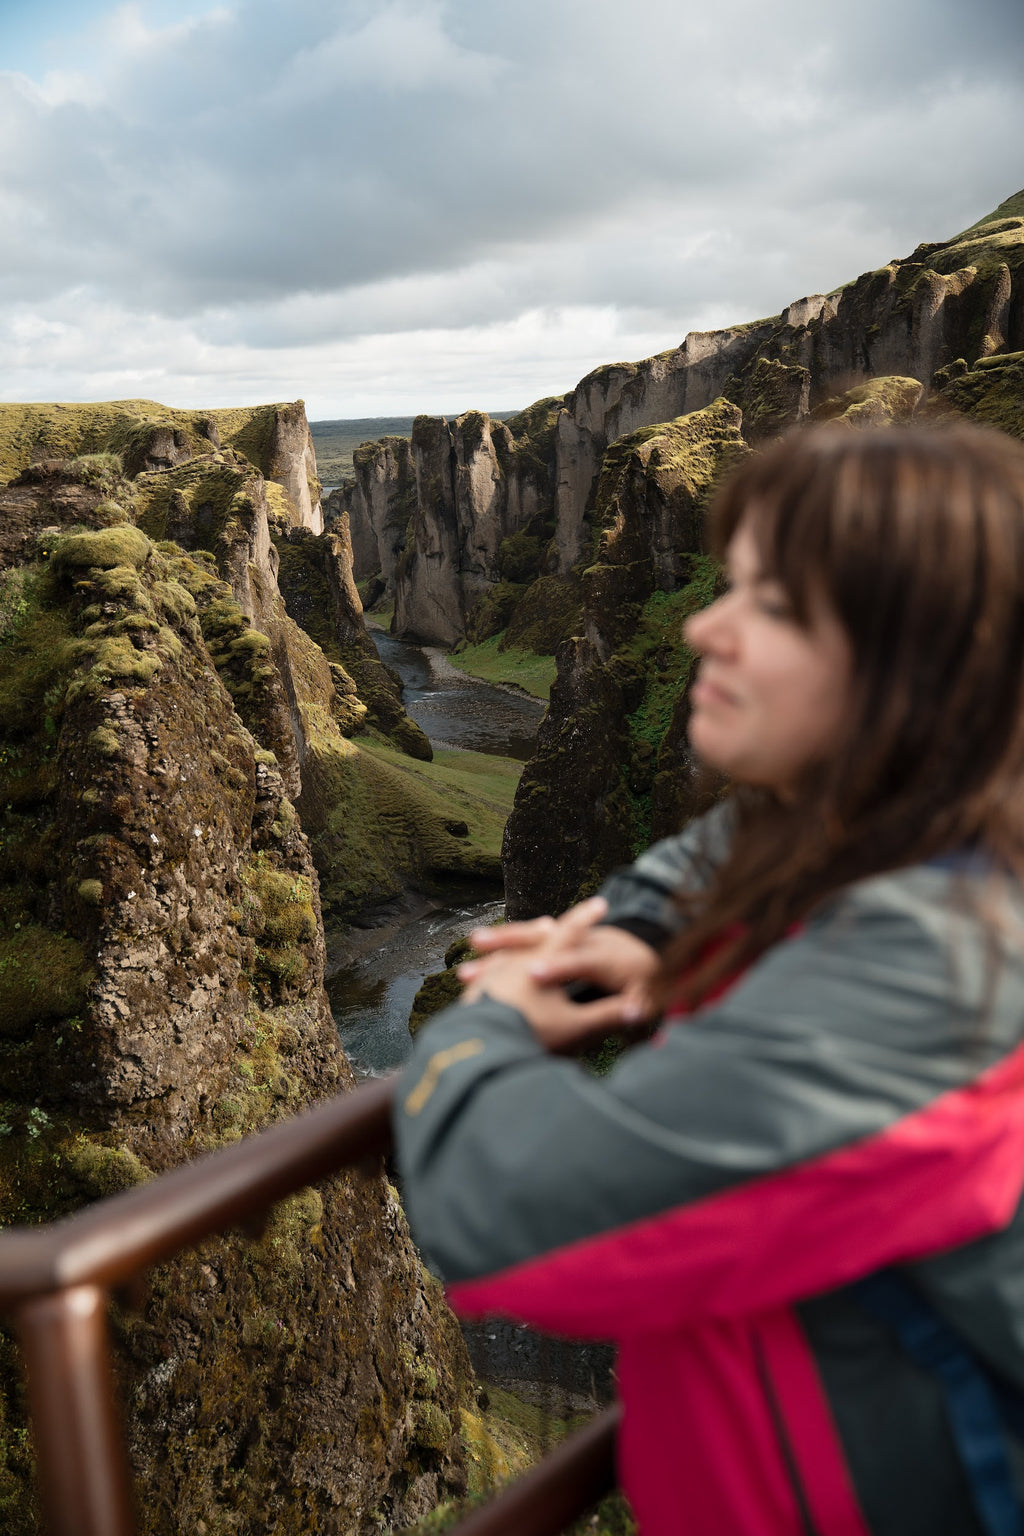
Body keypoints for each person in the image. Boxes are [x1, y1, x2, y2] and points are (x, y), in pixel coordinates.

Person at [394, 422, 1024, 1536]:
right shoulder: (923, 834)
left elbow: (526, 1228)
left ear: (922, 671)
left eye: (772, 607)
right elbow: (736, 841)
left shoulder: (926, 974)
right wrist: (641, 922)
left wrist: (473, 1035)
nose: (701, 627)